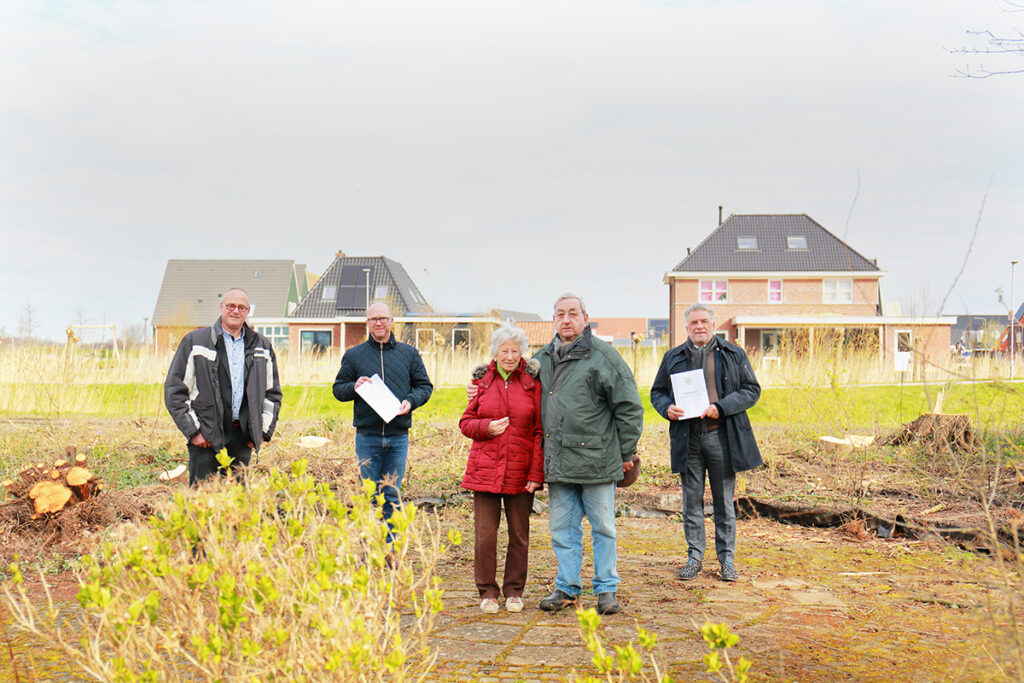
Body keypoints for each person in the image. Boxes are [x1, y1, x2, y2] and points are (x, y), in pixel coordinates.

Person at [471, 295, 643, 614]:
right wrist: (479, 383)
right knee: (563, 529)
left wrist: (627, 451)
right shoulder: (541, 360)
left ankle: (606, 589)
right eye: (560, 314)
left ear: (585, 318)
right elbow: (509, 375)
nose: (566, 319)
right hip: (559, 461)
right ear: (553, 319)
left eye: (572, 313)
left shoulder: (604, 356)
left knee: (603, 527)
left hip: (598, 460)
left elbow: (629, 406)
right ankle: (567, 587)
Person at [649, 303, 762, 582]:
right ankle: (694, 558)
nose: (699, 326)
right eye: (694, 323)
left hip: (722, 438)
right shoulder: (673, 357)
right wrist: (667, 408)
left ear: (713, 325)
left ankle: (727, 561)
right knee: (691, 503)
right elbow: (657, 392)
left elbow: (751, 390)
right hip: (688, 440)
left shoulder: (734, 354)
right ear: (686, 327)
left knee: (724, 502)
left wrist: (721, 407)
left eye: (704, 322)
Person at [460, 324, 545, 614]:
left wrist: (536, 474)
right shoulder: (482, 382)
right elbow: (465, 422)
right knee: (485, 536)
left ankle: (514, 591)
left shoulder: (532, 384)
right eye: (504, 351)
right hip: (484, 470)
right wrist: (486, 427)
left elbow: (539, 430)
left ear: (522, 353)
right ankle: (487, 592)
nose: (509, 356)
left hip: (521, 471)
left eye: (514, 351)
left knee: (519, 535)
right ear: (494, 353)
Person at [333, 302, 433, 534]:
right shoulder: (354, 356)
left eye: (383, 318)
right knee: (368, 495)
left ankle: (391, 547)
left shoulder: (409, 354)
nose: (378, 323)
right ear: (367, 323)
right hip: (367, 437)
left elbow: (425, 386)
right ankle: (368, 546)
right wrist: (353, 386)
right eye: (373, 319)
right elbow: (338, 390)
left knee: (392, 495)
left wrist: (411, 401)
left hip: (398, 437)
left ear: (391, 321)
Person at [164, 288, 282, 485]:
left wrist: (261, 433)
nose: (235, 311)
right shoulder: (196, 342)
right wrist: (194, 432)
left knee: (238, 497)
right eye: (231, 306)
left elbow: (272, 394)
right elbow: (175, 390)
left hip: (243, 438)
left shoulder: (261, 346)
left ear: (247, 311)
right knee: (202, 497)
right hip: (206, 437)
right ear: (221, 307)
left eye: (241, 307)